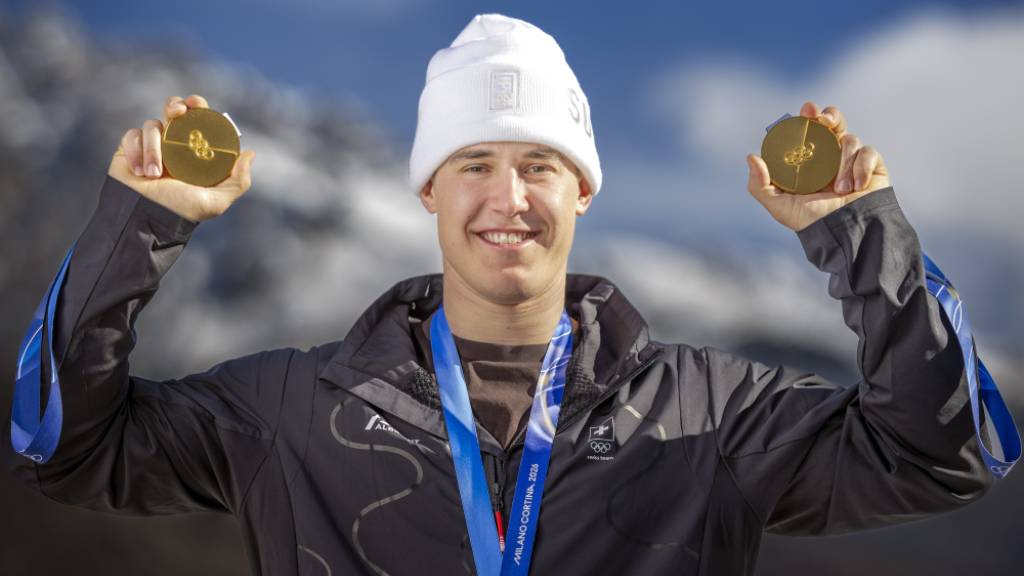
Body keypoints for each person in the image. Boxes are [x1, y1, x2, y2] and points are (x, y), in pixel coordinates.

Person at [6, 12, 1003, 576]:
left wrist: (860, 235)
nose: (507, 197)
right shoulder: (287, 412)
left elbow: (945, 454)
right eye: (473, 162)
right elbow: (61, 446)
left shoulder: (712, 417)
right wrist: (137, 229)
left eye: (539, 163)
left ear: (583, 187)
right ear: (429, 189)